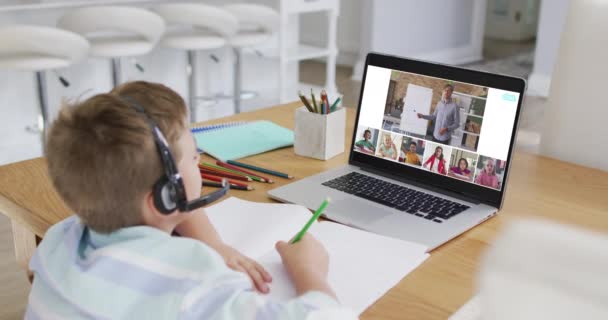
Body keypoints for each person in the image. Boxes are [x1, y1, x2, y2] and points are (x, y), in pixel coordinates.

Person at [27, 81, 345, 319]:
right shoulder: (191, 278)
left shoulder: (60, 241)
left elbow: (153, 202)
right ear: (166, 195)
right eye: (194, 157)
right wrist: (309, 270)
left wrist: (215, 244)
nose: (199, 161)